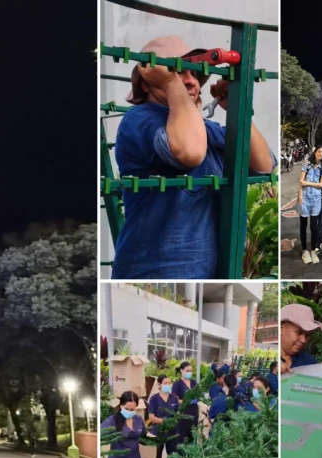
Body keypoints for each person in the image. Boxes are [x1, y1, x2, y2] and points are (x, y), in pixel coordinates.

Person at [110, 35, 276, 279]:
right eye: (178, 72)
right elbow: (189, 152)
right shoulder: (140, 119)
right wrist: (170, 83)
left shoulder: (205, 128)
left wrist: (237, 107)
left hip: (211, 275)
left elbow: (264, 165)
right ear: (147, 83)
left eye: (195, 74)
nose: (190, 81)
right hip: (156, 275)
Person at [102, 391, 144, 458]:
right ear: (121, 406)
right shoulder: (112, 421)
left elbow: (144, 437)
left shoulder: (138, 420)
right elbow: (101, 436)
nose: (130, 411)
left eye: (132, 409)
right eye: (127, 409)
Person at [298, 146, 322, 264]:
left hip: (316, 200)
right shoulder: (307, 165)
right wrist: (300, 196)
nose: (321, 154)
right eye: (319, 151)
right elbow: (300, 182)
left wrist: (307, 183)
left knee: (314, 226)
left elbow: (321, 185)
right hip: (304, 199)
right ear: (315, 152)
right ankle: (304, 250)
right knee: (303, 225)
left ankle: (313, 250)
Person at [280, 304, 322, 373]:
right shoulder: (267, 358)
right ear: (281, 329)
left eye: (307, 335)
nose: (303, 340)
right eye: (299, 332)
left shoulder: (309, 362)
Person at [147, 375, 180, 458]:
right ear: (159, 384)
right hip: (158, 431)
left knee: (173, 457)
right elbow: (151, 417)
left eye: (169, 383)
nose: (168, 385)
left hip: (172, 432)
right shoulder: (154, 399)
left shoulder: (174, 398)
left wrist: (174, 420)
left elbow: (178, 414)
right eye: (165, 383)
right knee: (157, 456)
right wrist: (164, 421)